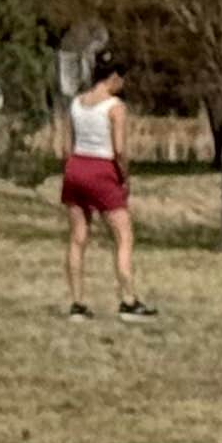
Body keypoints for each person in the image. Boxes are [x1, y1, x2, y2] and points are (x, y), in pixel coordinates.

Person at [60, 62, 155, 322]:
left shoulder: (76, 103)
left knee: (77, 238)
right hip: (102, 169)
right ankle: (128, 300)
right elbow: (120, 149)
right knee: (123, 235)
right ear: (112, 78)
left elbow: (66, 147)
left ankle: (77, 303)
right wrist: (124, 176)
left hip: (76, 167)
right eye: (121, 78)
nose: (122, 84)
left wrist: (70, 170)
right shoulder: (115, 107)